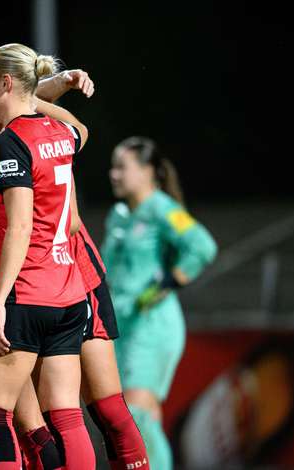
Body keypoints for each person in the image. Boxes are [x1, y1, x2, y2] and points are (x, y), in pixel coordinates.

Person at [0, 43, 95, 469]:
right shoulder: (62, 135)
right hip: (68, 293)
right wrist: (42, 95)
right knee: (67, 414)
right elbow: (81, 130)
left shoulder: (10, 142)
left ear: (6, 83)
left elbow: (20, 227)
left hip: (27, 292)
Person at [101, 136, 218, 470]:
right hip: (121, 328)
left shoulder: (163, 208)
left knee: (136, 415)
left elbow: (202, 245)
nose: (114, 174)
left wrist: (167, 283)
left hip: (152, 326)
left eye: (122, 167)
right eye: (113, 167)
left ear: (148, 171)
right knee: (127, 419)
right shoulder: (119, 216)